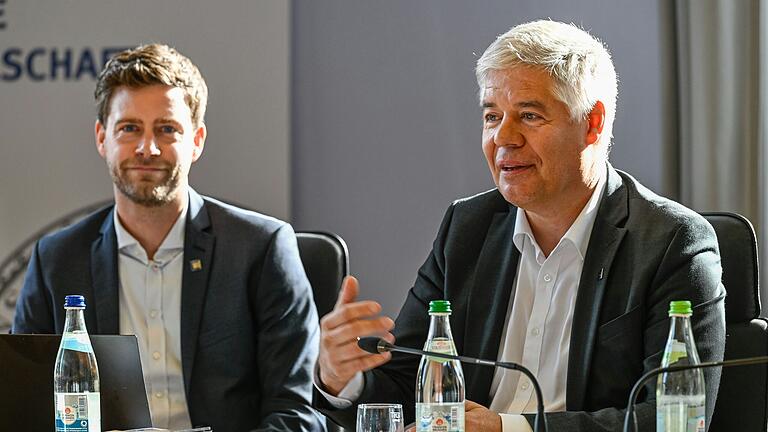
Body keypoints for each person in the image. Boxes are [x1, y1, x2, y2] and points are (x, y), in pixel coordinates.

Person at [313, 20, 726, 432]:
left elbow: (672, 419)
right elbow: (408, 386)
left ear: (592, 123)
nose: (503, 138)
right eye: (492, 116)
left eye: (529, 116)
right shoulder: (467, 229)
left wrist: (508, 429)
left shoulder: (670, 242)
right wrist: (341, 376)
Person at [13, 44, 325, 432]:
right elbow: (26, 411)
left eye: (167, 129)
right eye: (129, 128)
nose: (148, 148)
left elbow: (297, 415)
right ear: (101, 138)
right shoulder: (56, 260)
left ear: (196, 140)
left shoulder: (261, 248)